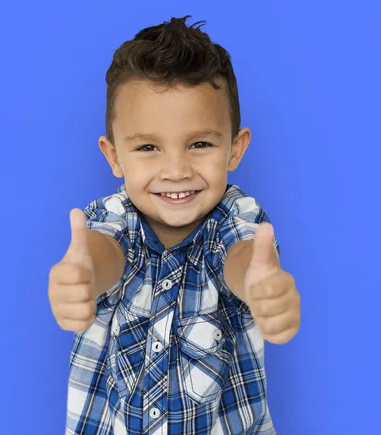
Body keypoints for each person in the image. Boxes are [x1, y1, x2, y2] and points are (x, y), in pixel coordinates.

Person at [48, 15, 301, 435]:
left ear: (235, 150)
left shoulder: (236, 218)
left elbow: (240, 255)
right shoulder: (114, 216)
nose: (176, 170)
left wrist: (259, 286)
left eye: (199, 144)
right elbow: (105, 249)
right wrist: (84, 276)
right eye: (148, 147)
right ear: (113, 157)